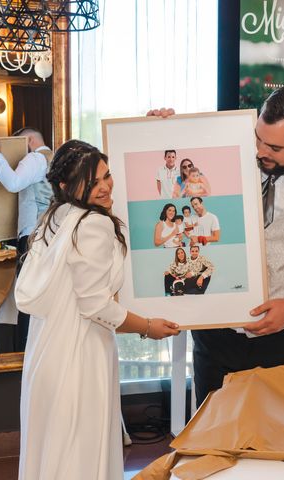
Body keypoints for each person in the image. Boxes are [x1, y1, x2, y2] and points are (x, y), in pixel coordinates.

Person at [149, 85, 284, 406]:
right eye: (258, 138)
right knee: (213, 442)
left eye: (274, 147)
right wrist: (157, 133)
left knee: (282, 441)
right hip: (215, 337)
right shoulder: (232, 158)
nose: (261, 151)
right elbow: (179, 172)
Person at [14, 139, 179, 480]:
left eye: (107, 176)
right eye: (92, 183)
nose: (104, 187)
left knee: (58, 450)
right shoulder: (94, 224)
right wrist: (148, 326)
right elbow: (94, 305)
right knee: (81, 453)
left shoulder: (54, 218)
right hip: (80, 353)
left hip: (48, 350)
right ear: (64, 185)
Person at [0, 127, 54, 351]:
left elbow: (13, 183)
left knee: (27, 296)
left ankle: (25, 350)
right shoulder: (55, 158)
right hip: (50, 232)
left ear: (29, 140)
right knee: (41, 293)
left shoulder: (35, 158)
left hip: (32, 235)